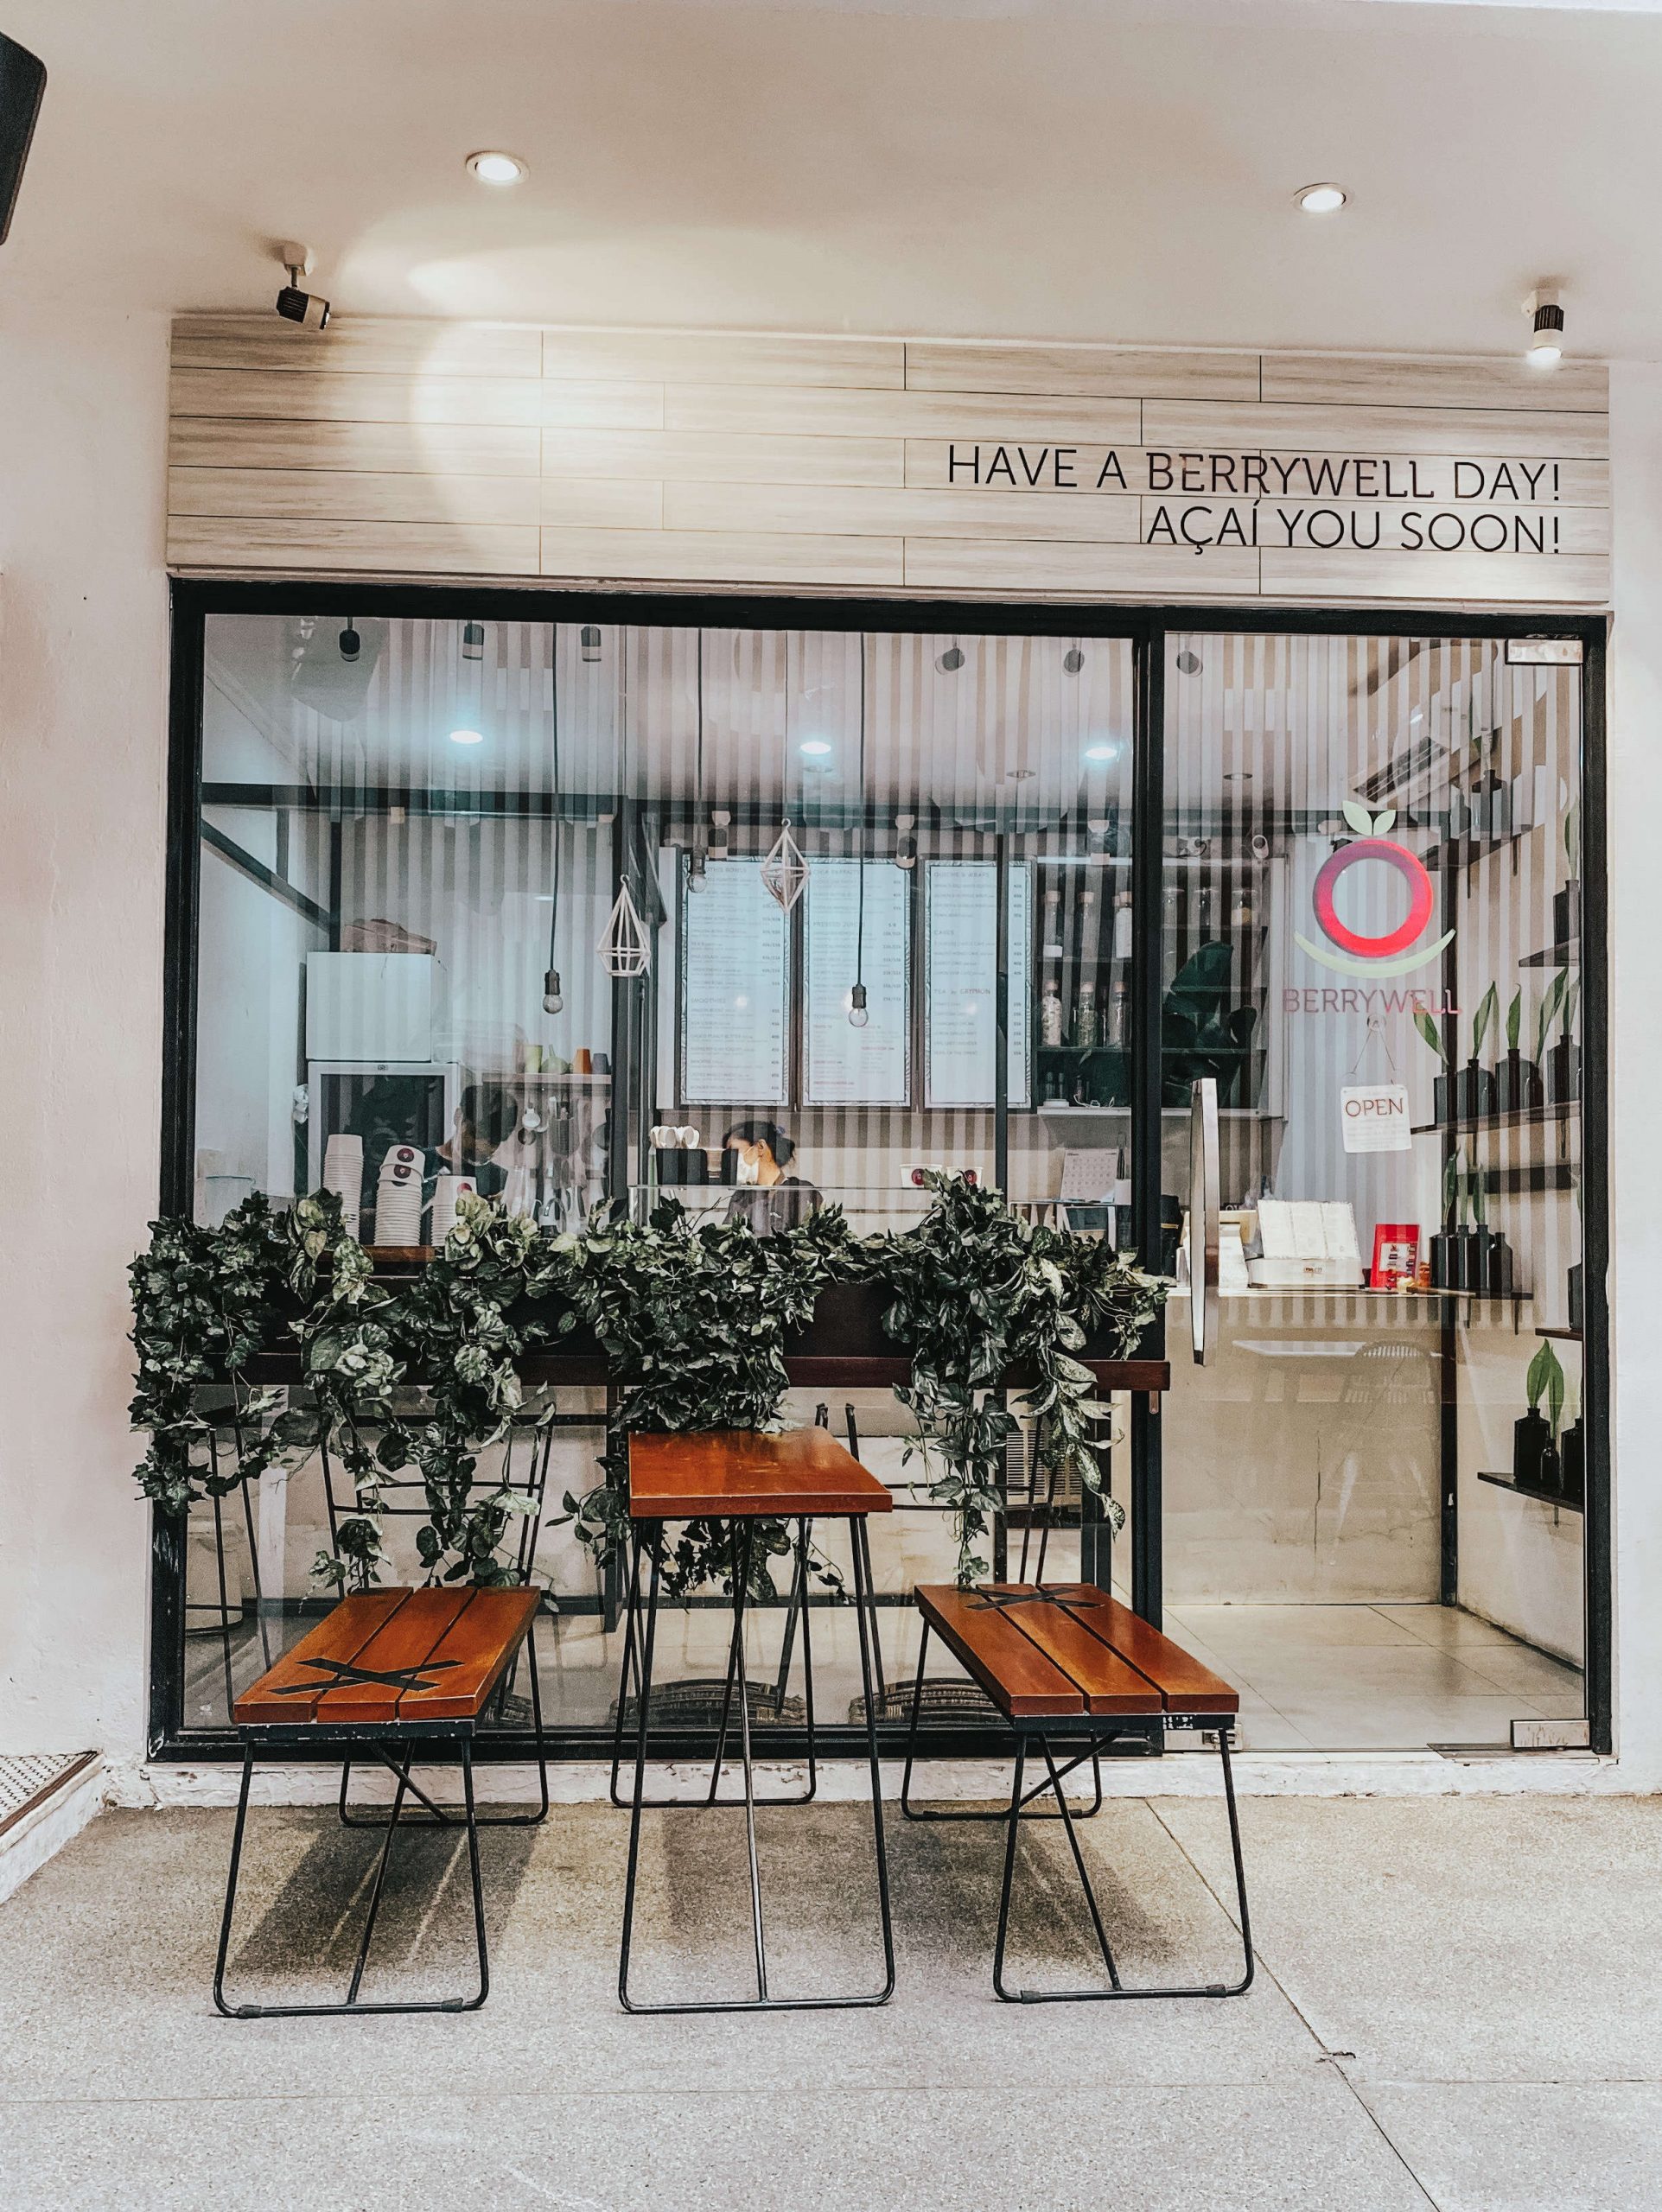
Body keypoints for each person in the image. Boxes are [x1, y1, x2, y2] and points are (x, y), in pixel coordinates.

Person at [723, 1119, 822, 1236]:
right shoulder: (740, 1197)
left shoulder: (801, 1192)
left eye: (734, 1153)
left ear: (761, 1147)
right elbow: (727, 1238)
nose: (731, 1162)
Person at [424, 1082, 519, 1204]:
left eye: (494, 1142)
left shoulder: (499, 1180)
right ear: (458, 1117)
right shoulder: (417, 1162)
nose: (482, 1146)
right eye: (475, 1134)